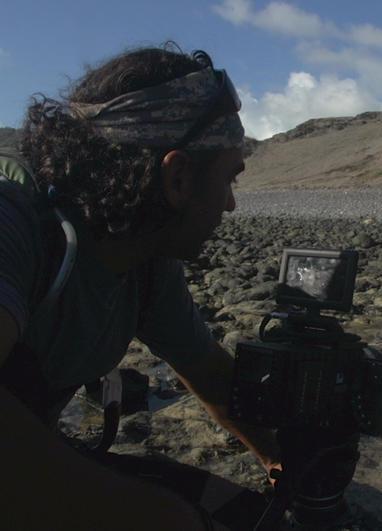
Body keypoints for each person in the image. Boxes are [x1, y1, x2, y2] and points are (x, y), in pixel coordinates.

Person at [0, 44, 280, 530]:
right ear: (178, 178)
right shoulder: (15, 222)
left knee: (244, 515)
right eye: (230, 180)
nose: (231, 205)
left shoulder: (145, 259)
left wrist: (282, 461)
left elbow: (209, 374)